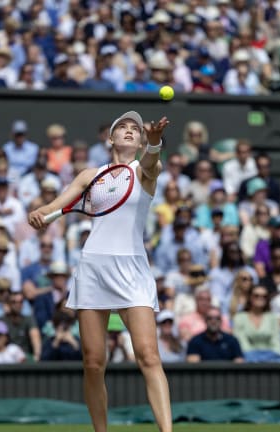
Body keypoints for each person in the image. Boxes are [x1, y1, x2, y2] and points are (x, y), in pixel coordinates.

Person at [28, 111, 172, 432]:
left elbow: (152, 164)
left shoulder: (146, 170)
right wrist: (40, 213)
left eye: (135, 129)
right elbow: (55, 206)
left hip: (132, 270)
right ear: (111, 138)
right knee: (93, 363)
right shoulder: (89, 175)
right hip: (94, 267)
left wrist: (155, 142)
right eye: (123, 127)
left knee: (148, 355)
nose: (130, 131)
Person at [233, 285, 280, 362]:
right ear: (250, 297)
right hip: (248, 357)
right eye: (256, 295)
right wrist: (256, 359)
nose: (260, 298)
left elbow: (276, 342)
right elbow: (242, 343)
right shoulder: (240, 317)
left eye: (264, 296)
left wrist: (270, 358)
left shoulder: (272, 318)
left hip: (271, 357)